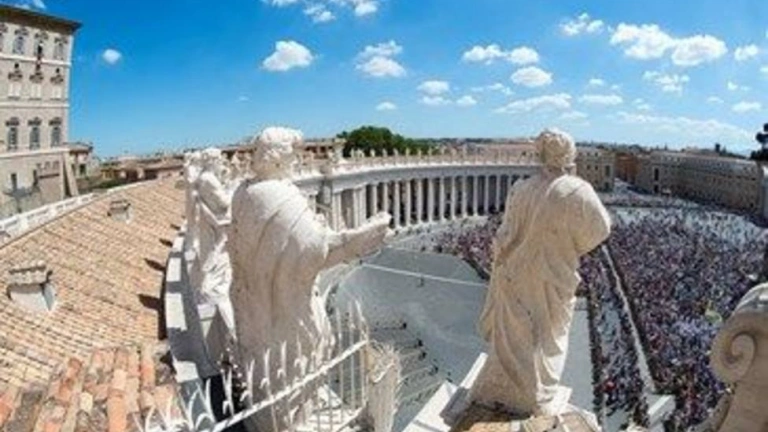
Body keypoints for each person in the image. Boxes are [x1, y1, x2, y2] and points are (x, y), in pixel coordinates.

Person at [228, 126, 391, 431]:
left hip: (252, 304)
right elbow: (313, 251)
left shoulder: (242, 192)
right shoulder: (282, 199)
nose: (298, 160)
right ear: (279, 158)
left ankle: (270, 417)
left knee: (266, 372)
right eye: (294, 154)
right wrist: (355, 242)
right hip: (286, 311)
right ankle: (294, 420)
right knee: (296, 369)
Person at [469, 129, 612, 416]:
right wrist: (567, 245)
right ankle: (535, 393)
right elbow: (601, 230)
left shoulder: (521, 188)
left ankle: (503, 388)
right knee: (546, 337)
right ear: (570, 155)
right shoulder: (578, 191)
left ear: (540, 154)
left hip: (514, 275)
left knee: (514, 338)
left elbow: (503, 236)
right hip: (552, 275)